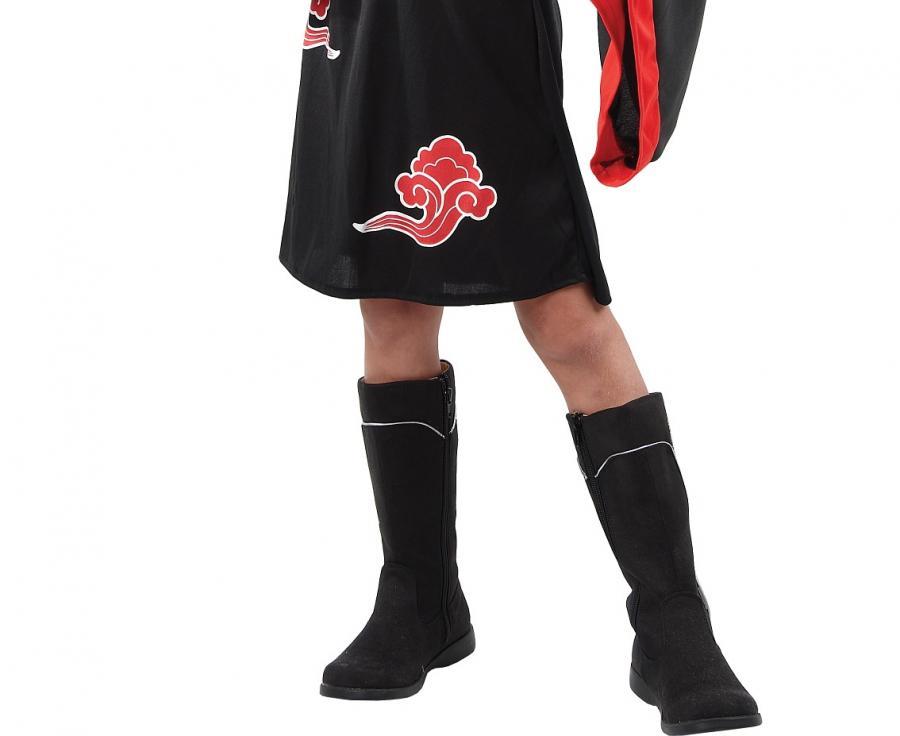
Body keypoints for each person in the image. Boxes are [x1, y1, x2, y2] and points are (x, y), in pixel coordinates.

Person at [281, 1, 761, 733]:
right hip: (371, 23)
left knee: (564, 313)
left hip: (487, 28)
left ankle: (672, 618)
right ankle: (419, 598)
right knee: (391, 305)